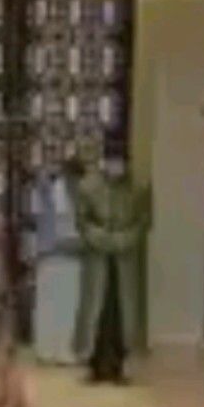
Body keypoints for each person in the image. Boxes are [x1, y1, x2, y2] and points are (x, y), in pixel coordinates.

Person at [73, 163, 149, 385]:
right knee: (96, 313)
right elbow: (82, 221)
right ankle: (94, 365)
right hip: (97, 261)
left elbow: (144, 221)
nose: (116, 166)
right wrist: (102, 239)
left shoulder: (139, 188)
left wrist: (125, 239)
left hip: (126, 262)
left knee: (122, 314)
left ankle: (119, 366)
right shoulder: (88, 187)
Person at [30, 160, 84, 366]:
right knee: (53, 304)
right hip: (54, 254)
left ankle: (61, 349)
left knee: (65, 305)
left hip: (68, 255)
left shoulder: (70, 195)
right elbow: (42, 224)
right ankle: (48, 349)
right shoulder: (48, 193)